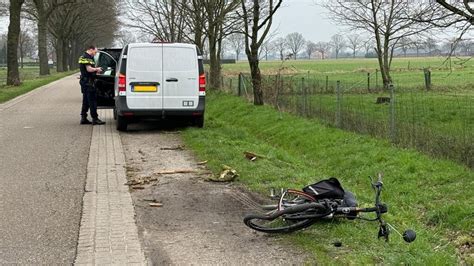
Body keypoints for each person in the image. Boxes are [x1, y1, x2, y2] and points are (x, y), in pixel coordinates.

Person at [78, 45, 105, 125]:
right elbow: (89, 69)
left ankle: (83, 118)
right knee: (92, 101)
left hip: (84, 81)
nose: (95, 53)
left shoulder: (83, 56)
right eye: (95, 52)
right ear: (91, 49)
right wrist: (97, 69)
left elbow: (84, 70)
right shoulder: (87, 57)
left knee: (85, 100)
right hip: (89, 82)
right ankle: (95, 118)